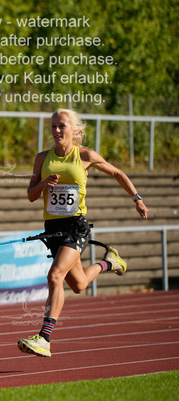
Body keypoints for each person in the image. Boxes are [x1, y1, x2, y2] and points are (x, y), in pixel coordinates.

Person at [17, 108, 148, 357]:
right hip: (52, 229)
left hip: (76, 226)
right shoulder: (42, 158)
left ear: (74, 130)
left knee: (55, 275)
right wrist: (43, 183)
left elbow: (117, 173)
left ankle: (44, 338)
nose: (56, 130)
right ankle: (109, 263)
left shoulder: (85, 156)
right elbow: (31, 195)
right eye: (53, 126)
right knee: (78, 284)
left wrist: (137, 198)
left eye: (61, 126)